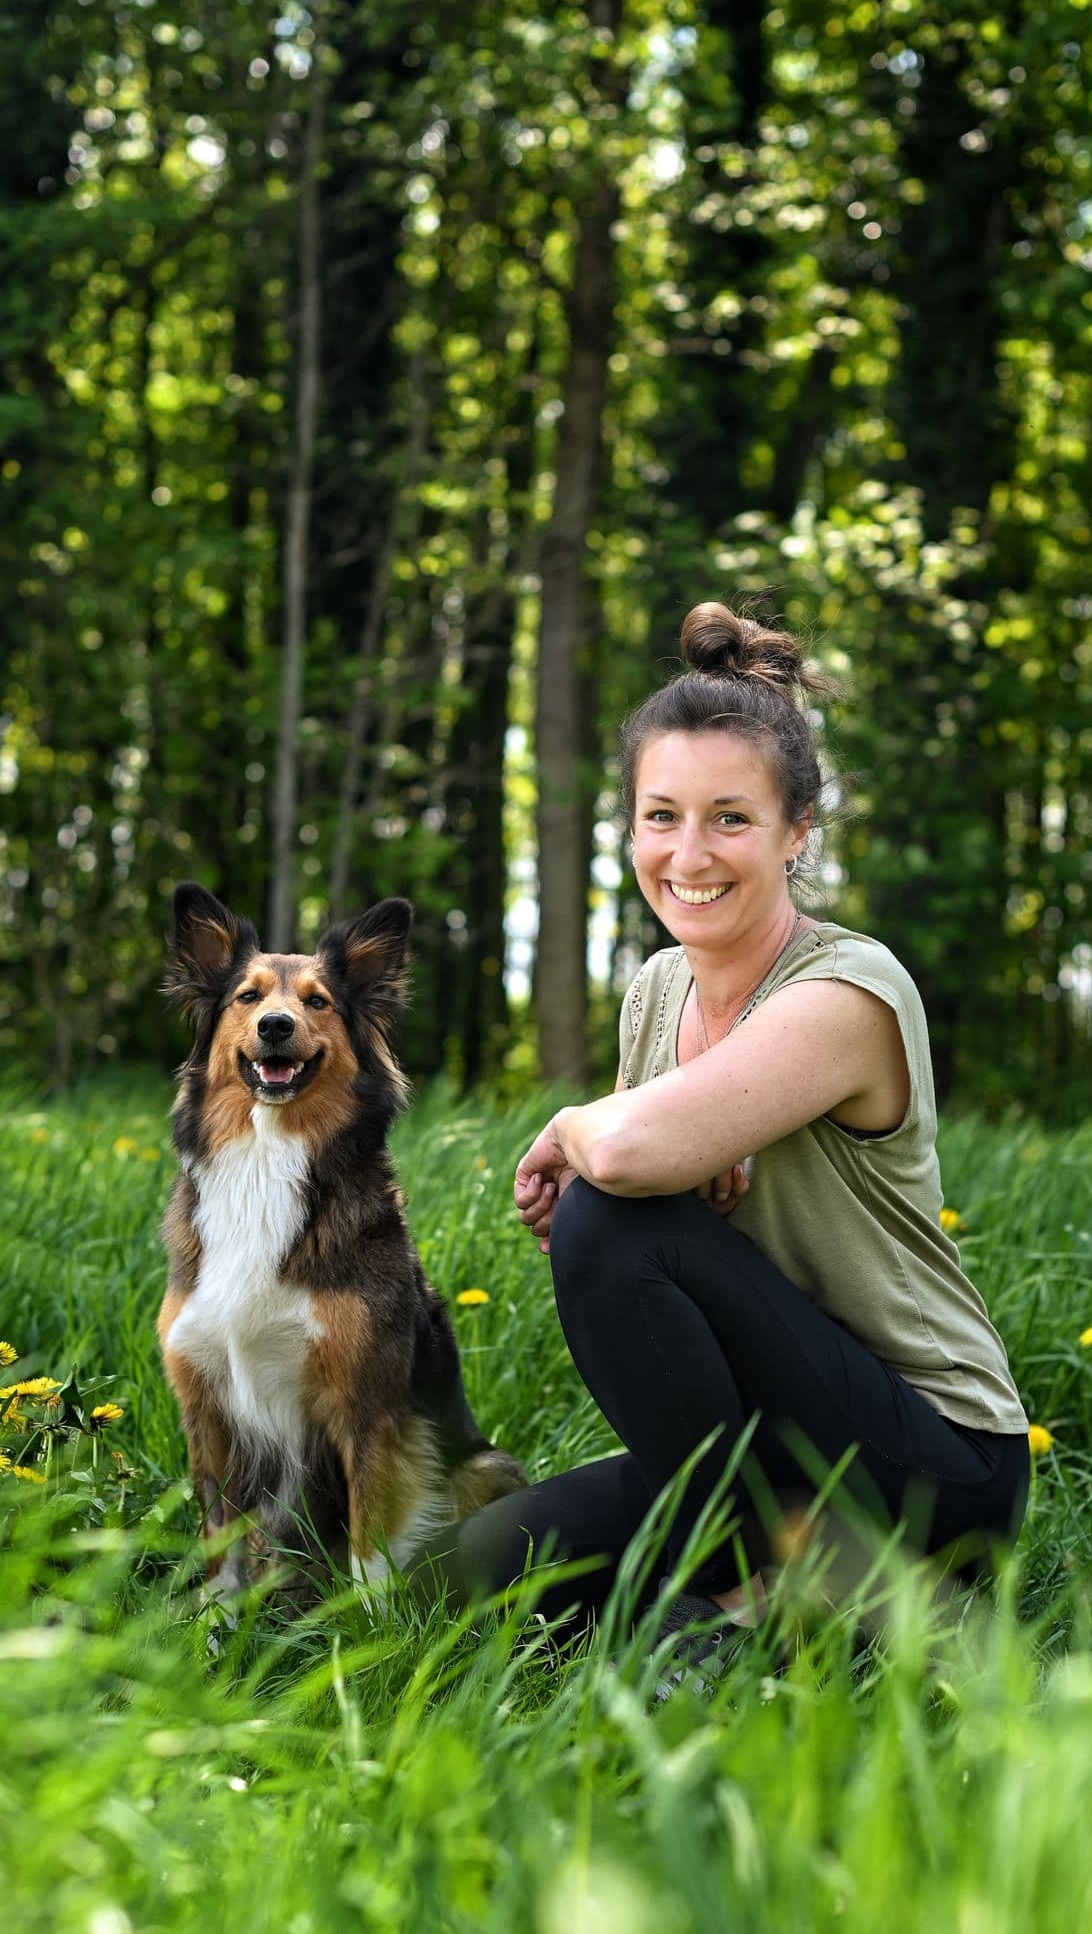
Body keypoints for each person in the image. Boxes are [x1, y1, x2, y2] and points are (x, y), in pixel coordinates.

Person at [412, 601, 1029, 1681]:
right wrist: (650, 1149)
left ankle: (731, 1599)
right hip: (762, 1445)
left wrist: (582, 1131)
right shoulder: (657, 991)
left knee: (609, 1207)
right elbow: (651, 1185)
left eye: (730, 819)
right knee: (480, 1564)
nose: (687, 854)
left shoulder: (850, 989)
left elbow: (618, 1168)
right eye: (661, 816)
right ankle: (814, 1593)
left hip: (928, 1453)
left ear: (796, 832)